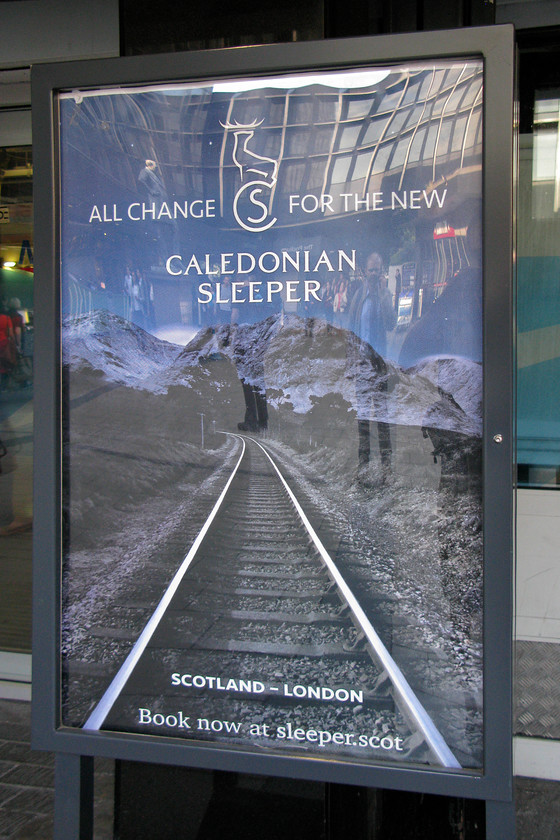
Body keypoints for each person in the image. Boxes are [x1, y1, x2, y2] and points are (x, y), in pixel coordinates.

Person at [346, 252, 397, 487]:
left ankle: (387, 468)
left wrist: (385, 294)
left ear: (382, 271)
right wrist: (350, 363)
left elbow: (391, 323)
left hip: (379, 367)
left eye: (378, 269)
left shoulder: (385, 296)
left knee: (383, 419)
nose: (374, 273)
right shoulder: (358, 297)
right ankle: (363, 466)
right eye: (371, 269)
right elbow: (350, 331)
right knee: (364, 419)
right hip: (361, 366)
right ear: (365, 271)